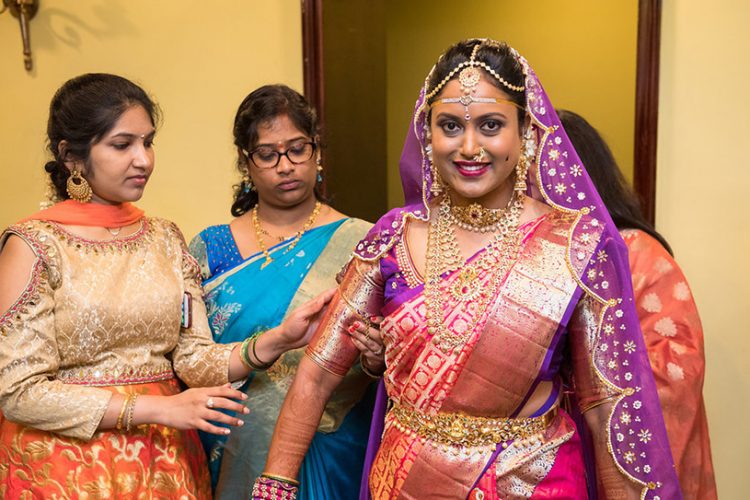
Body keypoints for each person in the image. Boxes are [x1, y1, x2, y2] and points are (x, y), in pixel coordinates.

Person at [251, 39, 683, 500]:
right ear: (428, 133)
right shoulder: (393, 235)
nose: (470, 147)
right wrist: (275, 484)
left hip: (535, 482)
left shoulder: (575, 245)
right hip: (405, 479)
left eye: (491, 125)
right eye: (451, 126)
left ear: (526, 133)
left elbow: (606, 407)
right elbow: (318, 370)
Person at [0, 74, 332, 498]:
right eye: (123, 145)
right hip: (64, 468)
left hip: (164, 462)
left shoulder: (164, 239)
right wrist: (161, 408)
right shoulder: (34, 245)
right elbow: (20, 393)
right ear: (72, 157)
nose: (143, 160)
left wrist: (276, 341)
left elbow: (191, 358)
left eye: (148, 142)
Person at [188, 84, 383, 499]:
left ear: (317, 152)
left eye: (297, 149)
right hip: (229, 440)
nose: (285, 165)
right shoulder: (210, 247)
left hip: (330, 441)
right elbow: (188, 356)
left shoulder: (363, 241)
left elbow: (383, 360)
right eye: (267, 153)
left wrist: (375, 358)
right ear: (246, 162)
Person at [558, 109, 717, 499]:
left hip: (600, 454)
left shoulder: (639, 255)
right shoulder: (529, 256)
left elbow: (676, 373)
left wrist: (575, 387)